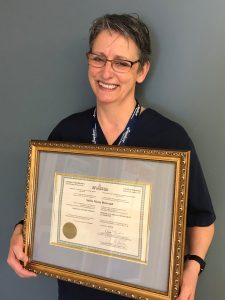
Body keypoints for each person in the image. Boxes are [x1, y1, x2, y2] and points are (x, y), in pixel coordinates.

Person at [7, 14, 215, 300]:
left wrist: (192, 271)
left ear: (142, 71)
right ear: (88, 61)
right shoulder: (66, 133)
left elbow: (202, 218)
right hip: (75, 292)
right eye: (98, 59)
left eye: (121, 63)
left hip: (145, 293)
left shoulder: (170, 139)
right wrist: (20, 231)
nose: (106, 73)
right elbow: (43, 212)